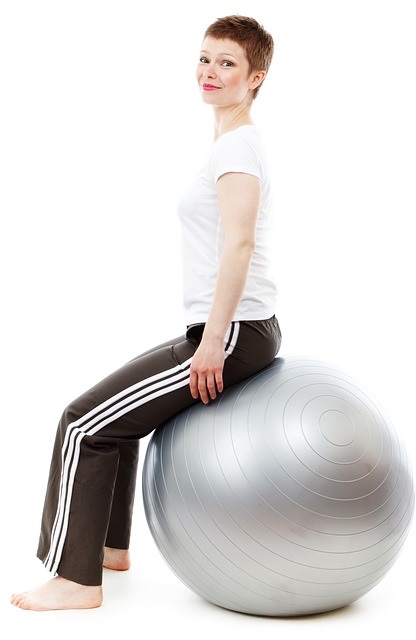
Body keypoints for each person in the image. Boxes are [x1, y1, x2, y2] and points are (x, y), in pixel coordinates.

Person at [11, 15, 281, 611]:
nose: (210, 71)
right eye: (205, 58)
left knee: (82, 424)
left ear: (255, 76)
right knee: (115, 417)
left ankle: (75, 579)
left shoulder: (238, 146)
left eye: (227, 62)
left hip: (232, 332)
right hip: (233, 329)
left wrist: (213, 341)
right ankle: (108, 547)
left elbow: (240, 243)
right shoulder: (231, 141)